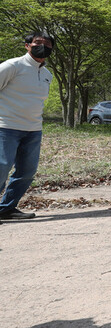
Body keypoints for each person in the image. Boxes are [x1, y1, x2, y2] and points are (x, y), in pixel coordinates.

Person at [0, 32, 54, 221]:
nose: (43, 46)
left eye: (47, 44)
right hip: (5, 126)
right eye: (38, 42)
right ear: (27, 45)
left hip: (33, 130)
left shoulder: (47, 74)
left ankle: (6, 208)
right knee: (2, 167)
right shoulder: (12, 66)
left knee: (27, 171)